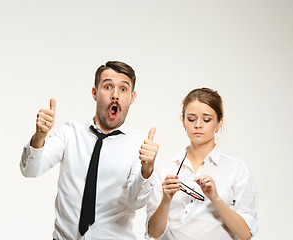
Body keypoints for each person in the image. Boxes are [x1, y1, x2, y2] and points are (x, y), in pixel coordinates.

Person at [20, 61, 159, 240]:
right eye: (108, 86)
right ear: (95, 93)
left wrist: (146, 170)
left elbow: (136, 201)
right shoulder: (70, 133)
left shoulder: (141, 144)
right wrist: (39, 136)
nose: (115, 95)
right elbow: (29, 170)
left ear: (132, 98)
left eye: (123, 89)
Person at [146, 88, 258, 240]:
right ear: (183, 122)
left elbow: (245, 234)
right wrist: (166, 200)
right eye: (191, 119)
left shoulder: (237, 169)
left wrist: (216, 199)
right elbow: (154, 233)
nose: (198, 125)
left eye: (206, 120)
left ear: (219, 123)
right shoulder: (166, 168)